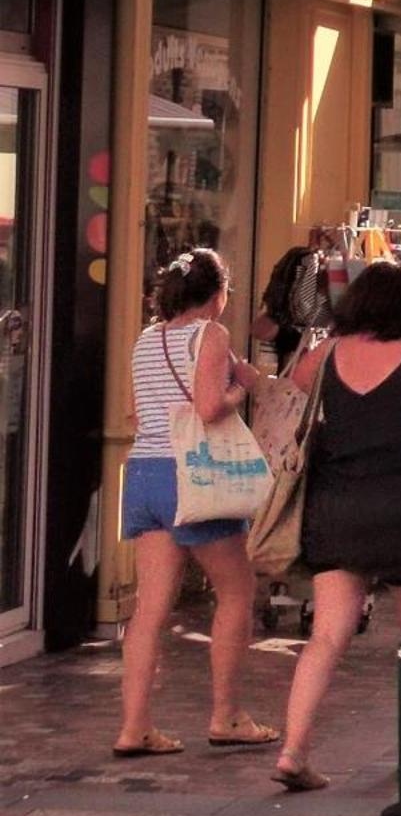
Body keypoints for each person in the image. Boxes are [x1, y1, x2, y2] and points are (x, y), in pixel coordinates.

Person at [276, 260, 401, 791]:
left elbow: (287, 397)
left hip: (336, 511)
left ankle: (293, 750)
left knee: (326, 636)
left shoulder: (324, 355)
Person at [114, 249, 277, 760]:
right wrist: (233, 392)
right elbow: (208, 408)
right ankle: (227, 715)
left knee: (149, 609)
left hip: (145, 473)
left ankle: (134, 727)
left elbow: (136, 414)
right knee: (235, 591)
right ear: (217, 295)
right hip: (194, 476)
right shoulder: (212, 334)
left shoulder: (147, 339)